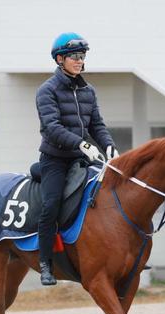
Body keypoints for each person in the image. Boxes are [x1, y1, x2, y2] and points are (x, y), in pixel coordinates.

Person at [35, 32, 119, 285]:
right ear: (60, 59)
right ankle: (45, 262)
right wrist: (81, 144)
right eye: (74, 57)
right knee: (51, 205)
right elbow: (52, 127)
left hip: (85, 158)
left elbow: (97, 125)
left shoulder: (88, 91)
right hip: (56, 159)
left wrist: (109, 146)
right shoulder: (46, 91)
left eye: (82, 56)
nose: (80, 61)